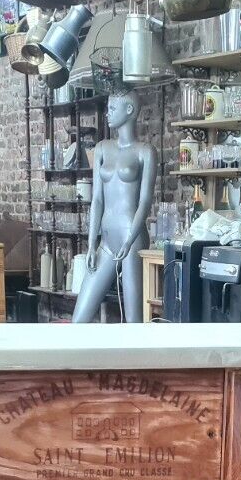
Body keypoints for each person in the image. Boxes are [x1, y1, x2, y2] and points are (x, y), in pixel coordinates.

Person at [73, 90, 155, 324]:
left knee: (133, 322)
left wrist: (129, 241)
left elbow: (145, 202)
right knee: (78, 321)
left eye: (112, 108)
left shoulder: (145, 152)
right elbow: (96, 200)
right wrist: (91, 244)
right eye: (107, 108)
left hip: (133, 237)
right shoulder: (101, 148)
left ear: (129, 110)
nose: (107, 113)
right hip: (106, 241)